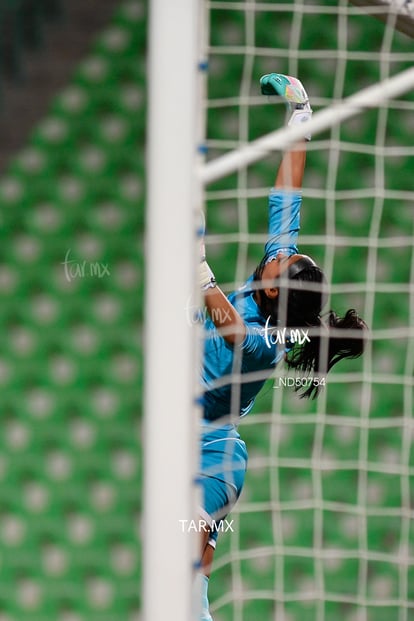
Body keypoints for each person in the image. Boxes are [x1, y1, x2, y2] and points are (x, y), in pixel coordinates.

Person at [195, 74, 367, 620]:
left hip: (212, 454)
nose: (279, 252)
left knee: (179, 564)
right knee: (190, 578)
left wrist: (199, 272)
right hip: (185, 441)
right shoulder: (274, 280)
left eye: (284, 260)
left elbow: (233, 334)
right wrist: (301, 120)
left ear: (274, 287)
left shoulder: (265, 344)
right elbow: (286, 195)